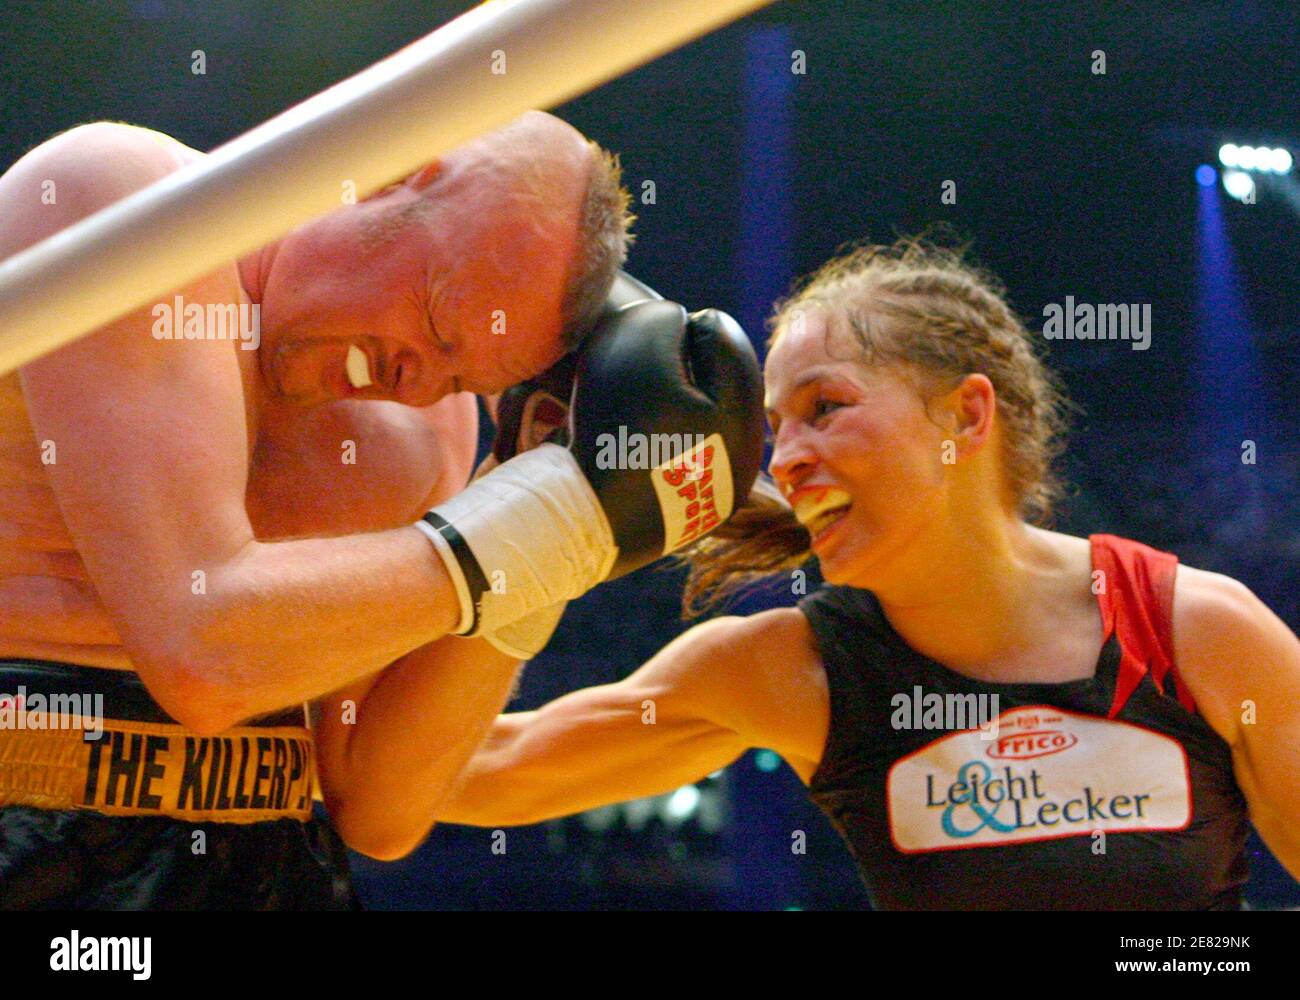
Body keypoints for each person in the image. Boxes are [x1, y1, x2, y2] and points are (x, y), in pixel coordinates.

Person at [0, 112, 765, 907]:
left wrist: (549, 506)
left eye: (460, 373)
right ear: (390, 169)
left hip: (265, 858)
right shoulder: (125, 201)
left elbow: (379, 807)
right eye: (436, 322)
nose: (415, 381)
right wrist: (548, 523)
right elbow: (201, 652)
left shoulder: (420, 430)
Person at [432, 237, 1300, 910]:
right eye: (778, 428)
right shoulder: (787, 670)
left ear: (964, 415)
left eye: (825, 409)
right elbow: (467, 770)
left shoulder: (1198, 632)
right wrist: (517, 533)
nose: (790, 459)